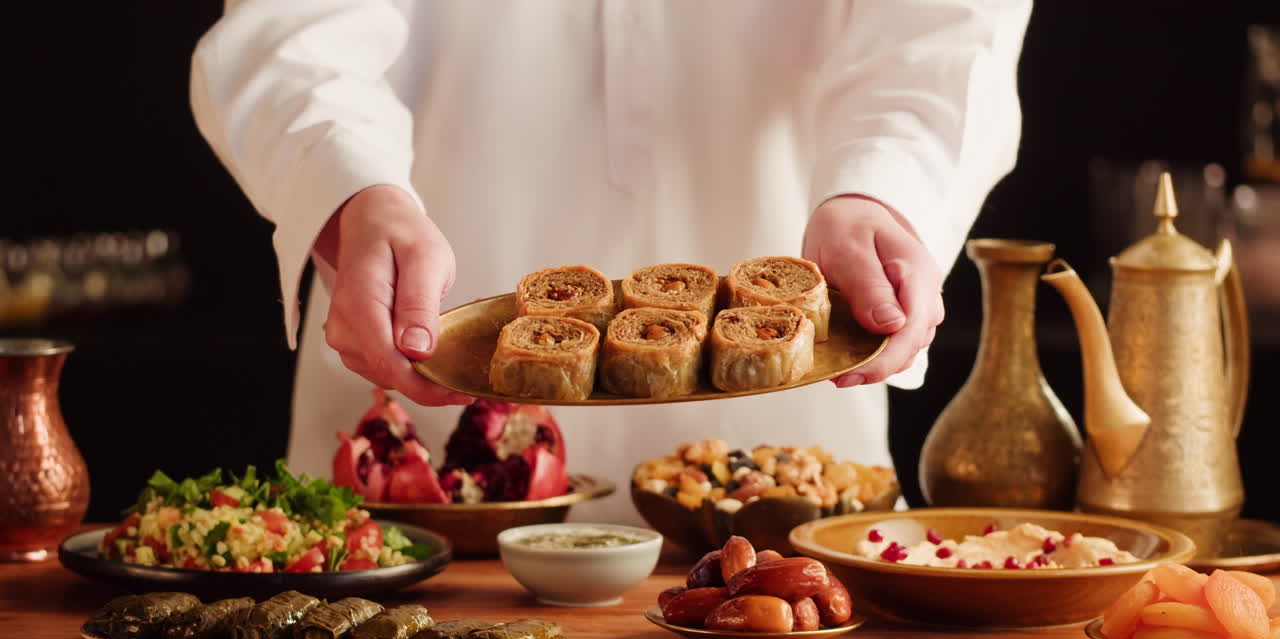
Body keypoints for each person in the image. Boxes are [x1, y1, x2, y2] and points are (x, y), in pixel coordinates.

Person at [190, 0, 1031, 524]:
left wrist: (882, 190)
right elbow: (293, 30)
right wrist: (349, 194)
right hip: (420, 438)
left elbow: (944, 32)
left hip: (788, 447)